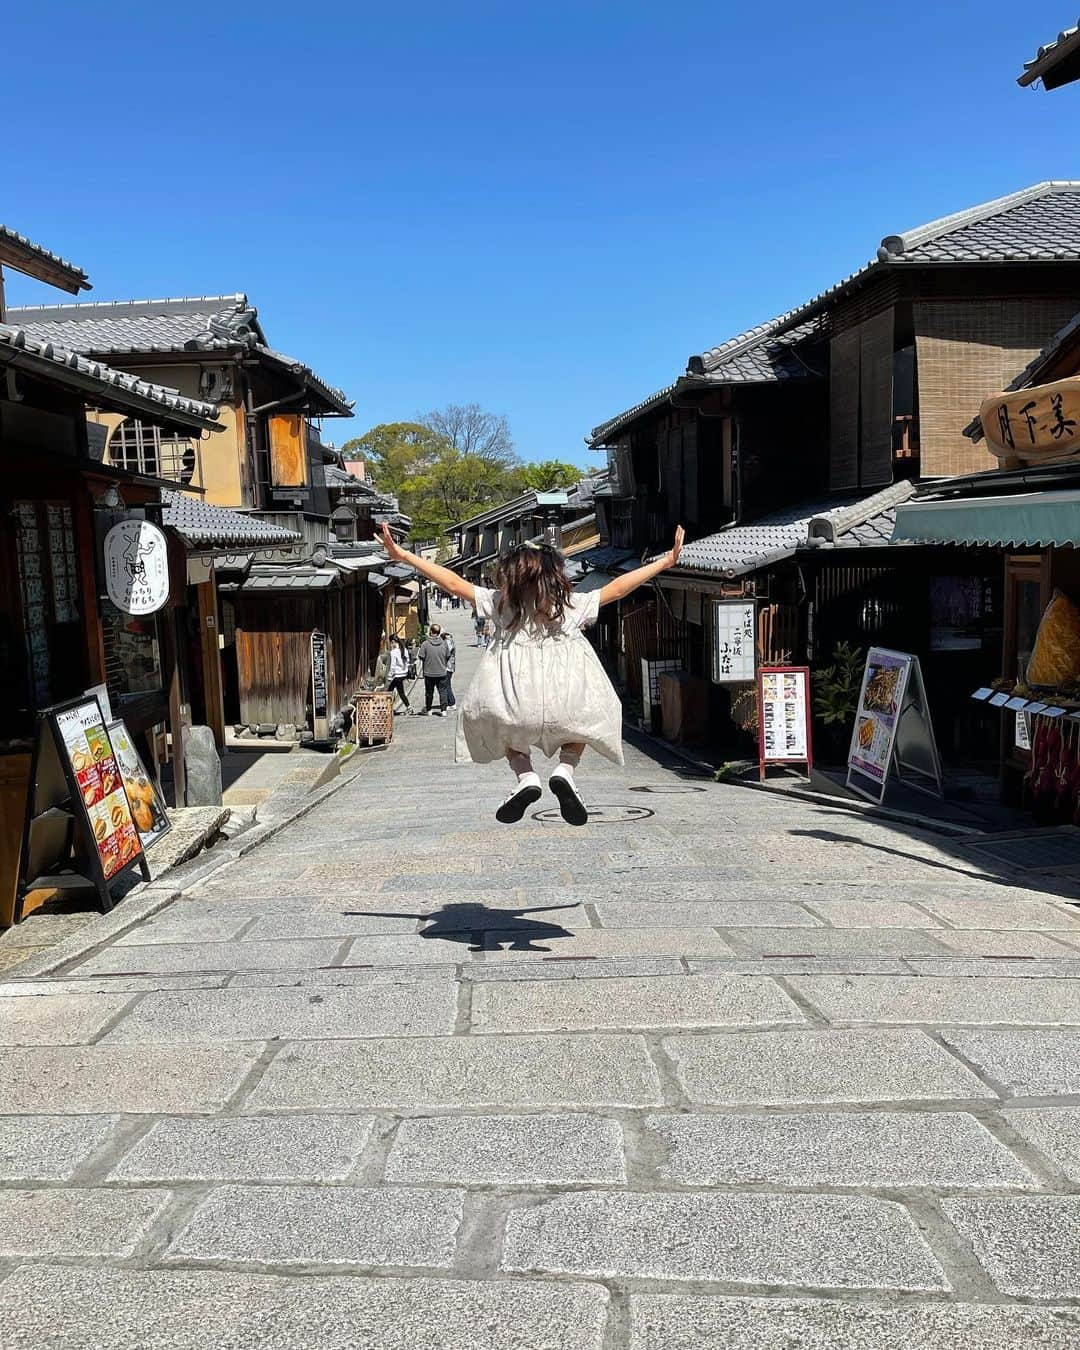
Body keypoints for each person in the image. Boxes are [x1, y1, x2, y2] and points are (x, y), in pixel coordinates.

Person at [380, 522, 685, 824]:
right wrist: (666, 561)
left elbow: (453, 583)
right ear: (554, 576)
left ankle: (526, 776)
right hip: (566, 697)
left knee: (509, 734)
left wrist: (405, 556)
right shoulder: (569, 606)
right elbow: (617, 588)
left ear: (511, 577)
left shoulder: (502, 604)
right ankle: (565, 770)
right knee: (584, 724)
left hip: (515, 698)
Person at [416, 623, 452, 716]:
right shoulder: (444, 644)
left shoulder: (425, 644)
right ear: (439, 632)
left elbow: (421, 656)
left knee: (429, 692)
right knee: (442, 692)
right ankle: (443, 710)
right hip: (442, 671)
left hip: (429, 673)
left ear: (431, 632)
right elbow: (448, 656)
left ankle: (428, 709)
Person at [386, 638, 414, 714]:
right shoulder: (404, 650)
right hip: (404, 674)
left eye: (391, 643)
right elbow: (408, 662)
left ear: (393, 642)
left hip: (397, 675)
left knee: (390, 692)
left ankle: (387, 708)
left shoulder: (393, 652)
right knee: (396, 691)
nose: (391, 645)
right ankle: (408, 707)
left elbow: (393, 666)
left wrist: (389, 676)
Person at [443, 628, 457, 709]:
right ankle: (449, 702)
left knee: (447, 685)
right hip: (450, 666)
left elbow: (446, 653)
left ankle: (451, 703)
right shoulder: (450, 641)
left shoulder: (449, 642)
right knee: (446, 684)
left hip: (448, 667)